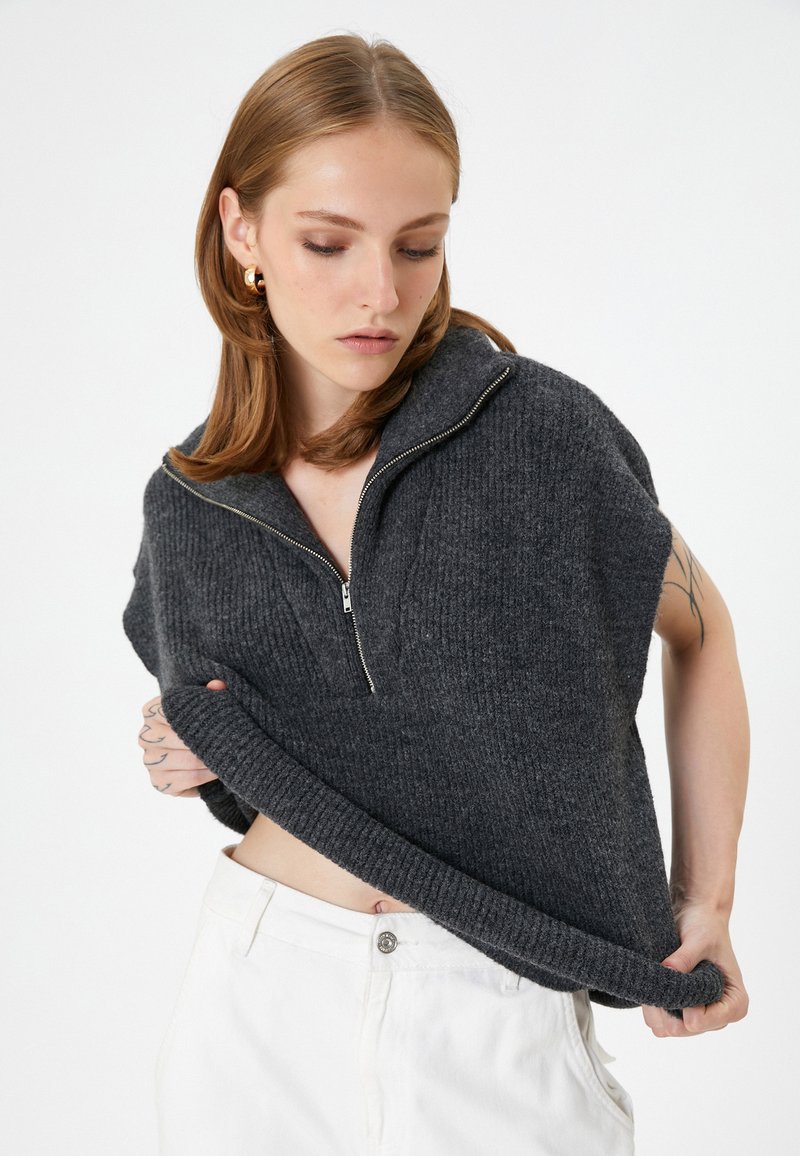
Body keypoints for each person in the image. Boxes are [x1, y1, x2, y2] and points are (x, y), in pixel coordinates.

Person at [123, 32, 750, 1156]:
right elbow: (272, 724)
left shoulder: (539, 436)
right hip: (257, 1002)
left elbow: (701, 633)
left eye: (418, 245)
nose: (381, 293)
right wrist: (199, 746)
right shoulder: (190, 500)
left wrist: (704, 901)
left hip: (497, 1010)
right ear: (241, 231)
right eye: (328, 242)